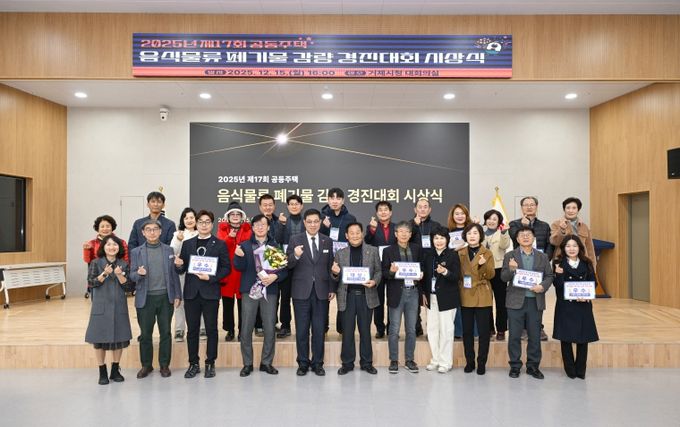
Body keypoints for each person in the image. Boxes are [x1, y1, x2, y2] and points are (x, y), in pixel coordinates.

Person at [174, 210, 230, 379]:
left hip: (210, 292)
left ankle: (210, 363)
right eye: (201, 222)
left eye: (207, 222)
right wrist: (178, 265)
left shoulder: (219, 244)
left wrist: (211, 278)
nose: (204, 225)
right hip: (191, 293)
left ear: (212, 224)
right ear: (196, 224)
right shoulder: (187, 244)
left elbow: (226, 268)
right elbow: (182, 269)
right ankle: (193, 363)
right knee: (192, 331)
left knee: (211, 329)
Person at [233, 214, 287, 377]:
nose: (260, 227)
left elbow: (283, 271)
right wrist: (238, 256)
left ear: (269, 227)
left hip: (269, 291)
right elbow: (239, 267)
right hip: (250, 290)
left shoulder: (274, 246)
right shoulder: (245, 245)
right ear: (252, 228)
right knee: (246, 327)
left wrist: (275, 277)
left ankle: (266, 362)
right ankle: (247, 363)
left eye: (263, 224)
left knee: (269, 327)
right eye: (256, 225)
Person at [129, 219, 182, 379]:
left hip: (165, 297)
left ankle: (164, 365)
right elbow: (131, 275)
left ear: (160, 232)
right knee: (145, 334)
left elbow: (174, 274)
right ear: (143, 233)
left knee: (165, 332)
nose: (152, 232)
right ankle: (146, 365)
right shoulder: (136, 252)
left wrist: (177, 294)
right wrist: (138, 274)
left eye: (155, 229)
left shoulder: (169, 250)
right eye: (148, 230)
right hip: (145, 298)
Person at [286, 208, 336, 376]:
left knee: (319, 330)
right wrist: (295, 255)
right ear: (304, 223)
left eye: (316, 221)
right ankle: (302, 363)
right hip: (301, 292)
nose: (313, 224)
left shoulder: (327, 241)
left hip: (321, 292)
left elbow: (330, 266)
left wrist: (331, 288)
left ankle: (318, 363)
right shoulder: (295, 240)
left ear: (320, 223)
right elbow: (288, 264)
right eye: (309, 222)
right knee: (301, 330)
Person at [501, 225, 554, 379]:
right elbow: (503, 278)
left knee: (534, 336)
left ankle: (533, 366)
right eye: (522, 235)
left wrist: (542, 286)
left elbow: (549, 276)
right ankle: (515, 366)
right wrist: (511, 269)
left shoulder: (542, 257)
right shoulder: (510, 256)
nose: (525, 237)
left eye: (528, 234)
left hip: (535, 302)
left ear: (533, 238)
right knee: (514, 336)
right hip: (515, 302)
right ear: (517, 239)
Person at [332, 222, 382, 375]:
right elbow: (335, 277)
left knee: (365, 331)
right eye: (351, 233)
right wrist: (334, 273)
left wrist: (374, 281)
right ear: (346, 236)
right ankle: (347, 363)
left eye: (357, 232)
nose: (355, 235)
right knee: (347, 332)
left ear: (362, 234)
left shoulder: (372, 251)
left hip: (366, 296)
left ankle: (367, 363)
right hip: (347, 296)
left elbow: (378, 271)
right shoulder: (340, 253)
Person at [85, 234, 132, 385]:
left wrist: (119, 275)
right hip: (101, 305)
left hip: (119, 305)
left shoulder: (123, 264)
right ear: (103, 247)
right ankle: (102, 371)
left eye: (115, 245)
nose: (112, 247)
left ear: (119, 247)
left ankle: (115, 370)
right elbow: (91, 283)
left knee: (120, 338)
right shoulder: (95, 262)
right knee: (99, 339)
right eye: (109, 244)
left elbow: (129, 287)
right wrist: (104, 274)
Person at [552, 235, 599, 379]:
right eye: (568, 246)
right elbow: (557, 286)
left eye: (574, 246)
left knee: (583, 338)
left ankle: (581, 369)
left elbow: (594, 283)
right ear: (563, 248)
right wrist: (558, 275)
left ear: (579, 248)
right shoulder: (558, 263)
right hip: (565, 305)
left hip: (583, 305)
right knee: (565, 338)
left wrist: (587, 295)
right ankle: (570, 369)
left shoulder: (587, 262)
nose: (571, 249)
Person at [508, 196, 553, 341]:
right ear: (521, 208)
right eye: (526, 205)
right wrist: (523, 225)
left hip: (538, 264)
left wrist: (545, 259)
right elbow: (514, 237)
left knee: (537, 298)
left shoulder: (545, 225)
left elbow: (549, 244)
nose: (529, 207)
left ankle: (538, 328)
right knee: (521, 296)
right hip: (521, 264)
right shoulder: (514, 224)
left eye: (532, 204)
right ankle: (522, 329)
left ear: (536, 206)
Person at [382, 221, 423, 374]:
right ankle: (393, 360)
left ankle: (409, 359)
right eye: (401, 231)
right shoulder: (388, 251)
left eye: (407, 231)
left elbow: (422, 267)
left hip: (413, 292)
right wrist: (391, 272)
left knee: (411, 329)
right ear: (396, 234)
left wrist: (421, 274)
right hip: (396, 293)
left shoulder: (417, 249)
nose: (404, 234)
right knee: (394, 329)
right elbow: (384, 273)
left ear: (411, 234)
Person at [421, 226, 461, 373]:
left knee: (446, 330)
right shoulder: (428, 255)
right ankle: (435, 359)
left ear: (447, 240)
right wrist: (423, 294)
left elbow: (456, 276)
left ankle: (445, 362)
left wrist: (445, 272)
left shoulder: (452, 255)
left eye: (442, 238)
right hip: (431, 297)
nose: (439, 241)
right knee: (432, 330)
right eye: (436, 238)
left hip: (447, 297)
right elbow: (424, 277)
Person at [458, 223, 495, 375]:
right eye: (469, 233)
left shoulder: (487, 253)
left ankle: (481, 363)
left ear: (480, 235)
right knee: (467, 331)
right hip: (465, 293)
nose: (472, 236)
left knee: (484, 332)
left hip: (482, 293)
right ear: (465, 236)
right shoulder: (460, 252)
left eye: (475, 233)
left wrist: (483, 265)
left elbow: (491, 275)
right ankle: (470, 361)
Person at [319, 187, 357, 334]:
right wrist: (323, 227)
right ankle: (323, 326)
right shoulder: (321, 217)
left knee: (343, 294)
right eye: (332, 198)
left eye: (338, 198)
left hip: (344, 260)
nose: (335, 201)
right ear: (327, 200)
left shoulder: (350, 218)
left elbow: (354, 238)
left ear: (343, 200)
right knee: (324, 295)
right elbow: (316, 237)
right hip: (324, 260)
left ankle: (342, 327)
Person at [217, 201, 251, 342]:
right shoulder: (222, 229)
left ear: (242, 216)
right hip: (228, 273)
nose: (235, 216)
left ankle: (242, 331)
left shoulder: (248, 229)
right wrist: (230, 237)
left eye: (238, 214)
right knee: (228, 304)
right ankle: (229, 330)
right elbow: (220, 248)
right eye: (232, 214)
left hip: (243, 272)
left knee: (243, 306)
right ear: (228, 216)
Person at [408, 197, 442, 336]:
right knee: (414, 298)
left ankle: (431, 328)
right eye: (419, 207)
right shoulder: (409, 225)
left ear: (430, 209)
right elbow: (404, 240)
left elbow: (440, 243)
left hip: (431, 265)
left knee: (431, 298)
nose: (422, 209)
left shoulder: (435, 225)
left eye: (425, 206)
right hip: (414, 265)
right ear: (415, 209)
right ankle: (417, 327)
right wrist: (414, 225)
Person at [364, 200, 397, 339]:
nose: (383, 212)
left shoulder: (396, 227)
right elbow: (367, 241)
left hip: (392, 268)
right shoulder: (372, 226)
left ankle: (391, 328)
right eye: (380, 210)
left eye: (386, 209)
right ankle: (379, 328)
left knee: (392, 299)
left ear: (390, 212)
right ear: (377, 213)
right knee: (378, 299)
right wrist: (372, 230)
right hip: (377, 267)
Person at [169, 207, 201, 343]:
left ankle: (202, 328)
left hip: (199, 273)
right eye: (186, 218)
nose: (189, 220)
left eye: (192, 217)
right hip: (182, 272)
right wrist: (178, 240)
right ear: (183, 220)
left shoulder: (201, 232)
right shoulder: (178, 234)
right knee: (180, 300)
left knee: (200, 300)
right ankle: (179, 329)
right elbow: (172, 252)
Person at [254, 194, 284, 336]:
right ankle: (258, 325)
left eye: (270, 204)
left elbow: (281, 240)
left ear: (274, 206)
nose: (268, 207)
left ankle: (272, 322)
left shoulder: (279, 221)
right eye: (265, 205)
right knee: (258, 293)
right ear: (260, 207)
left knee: (273, 295)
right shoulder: (256, 221)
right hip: (258, 262)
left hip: (274, 261)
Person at [276, 194, 305, 338]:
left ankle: (303, 326)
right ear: (287, 206)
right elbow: (277, 239)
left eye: (297, 204)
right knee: (285, 297)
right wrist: (281, 225)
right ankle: (285, 326)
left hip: (304, 263)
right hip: (286, 263)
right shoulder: (282, 221)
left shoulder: (307, 221)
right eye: (291, 204)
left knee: (303, 297)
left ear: (301, 206)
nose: (294, 206)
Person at [83, 214, 129, 298]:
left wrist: (123, 274)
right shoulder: (92, 243)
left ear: (112, 227)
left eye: (108, 226)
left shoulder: (121, 242)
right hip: (99, 276)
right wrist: (86, 250)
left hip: (117, 276)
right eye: (102, 226)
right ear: (98, 228)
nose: (105, 229)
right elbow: (87, 260)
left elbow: (126, 260)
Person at [483, 209, 512, 340]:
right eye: (489, 218)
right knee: (486, 302)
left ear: (499, 221)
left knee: (501, 302)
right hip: (484, 270)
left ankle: (501, 329)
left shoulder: (502, 233)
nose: (491, 221)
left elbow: (504, 245)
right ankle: (489, 328)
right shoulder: (480, 233)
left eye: (494, 219)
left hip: (499, 269)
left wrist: (505, 232)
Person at [447, 203, 473, 340]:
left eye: (462, 213)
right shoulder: (447, 232)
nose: (460, 216)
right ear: (452, 216)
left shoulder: (472, 230)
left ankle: (472, 331)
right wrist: (455, 250)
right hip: (453, 269)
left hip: (469, 269)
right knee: (455, 300)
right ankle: (458, 331)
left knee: (469, 300)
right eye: (456, 214)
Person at [550, 197, 597, 270]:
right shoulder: (556, 224)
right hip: (562, 263)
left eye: (574, 208)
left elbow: (590, 248)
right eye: (568, 208)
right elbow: (554, 242)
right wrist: (562, 230)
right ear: (564, 210)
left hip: (582, 262)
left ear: (578, 210)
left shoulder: (584, 226)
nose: (571, 211)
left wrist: (592, 268)